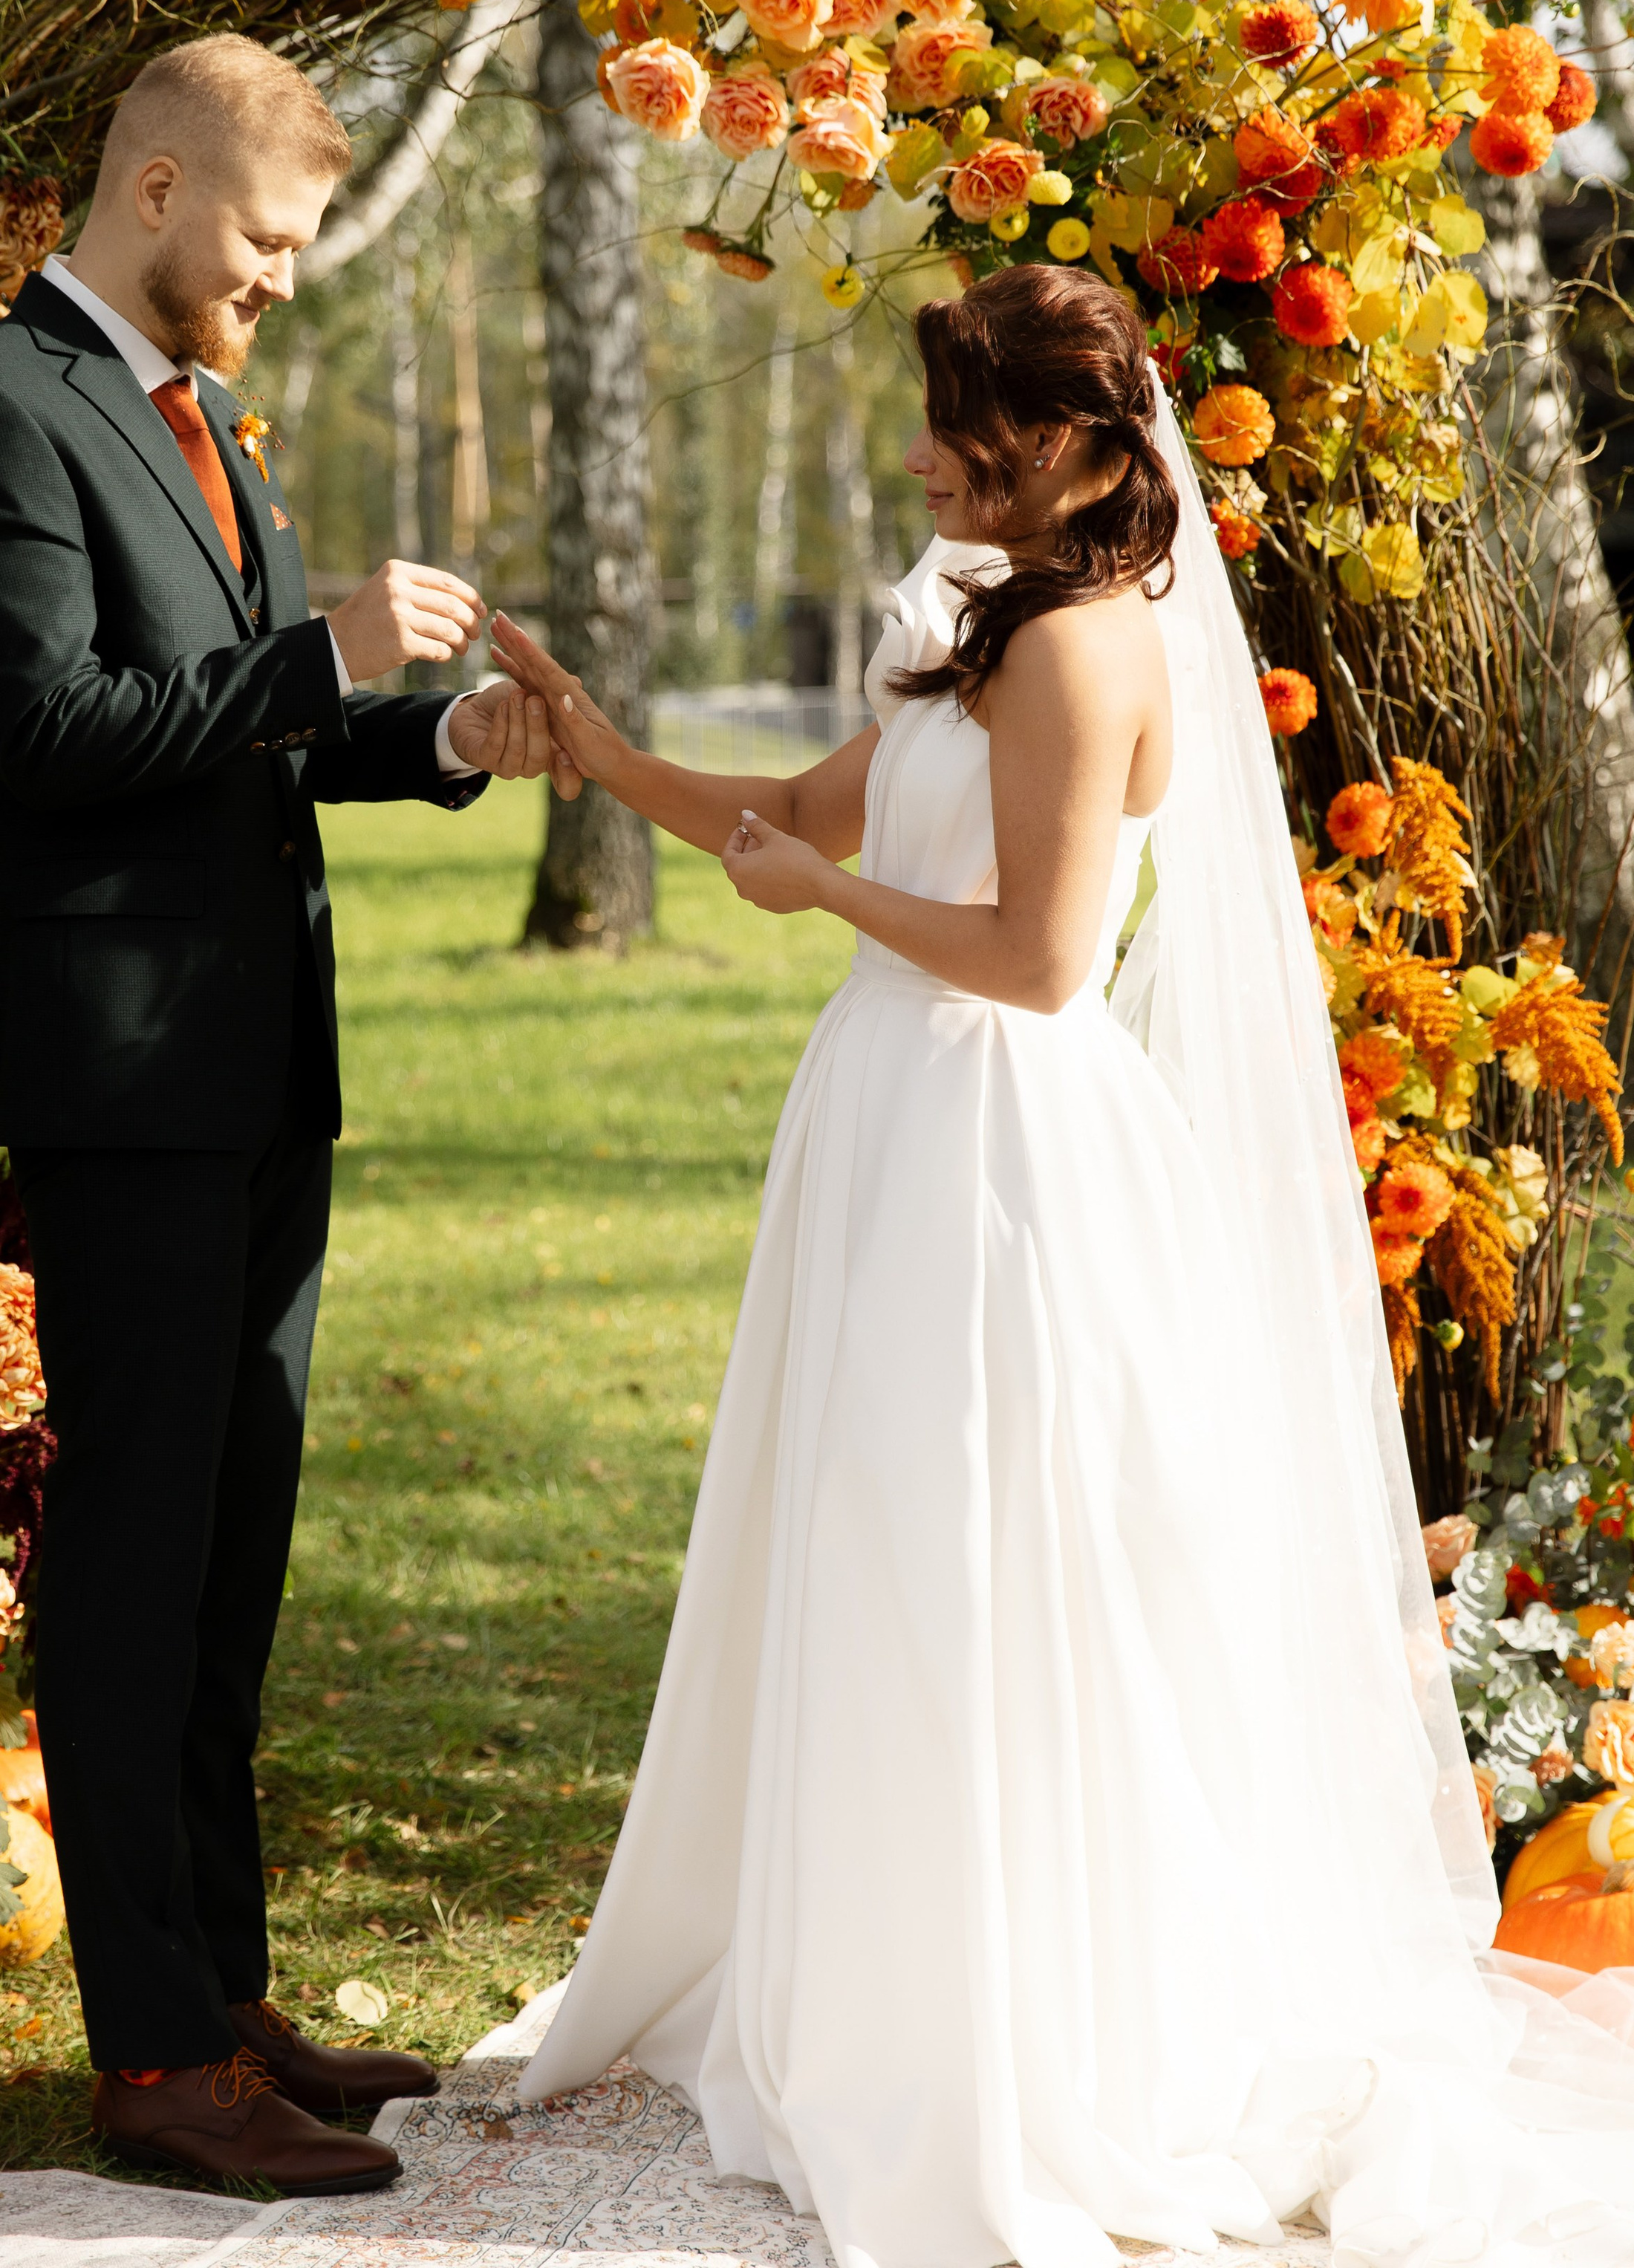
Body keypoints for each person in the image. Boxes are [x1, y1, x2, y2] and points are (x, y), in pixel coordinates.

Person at [495, 264, 1634, 2268]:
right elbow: (784, 811)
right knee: (868, 1546)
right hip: (888, 1120)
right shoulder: (969, 628)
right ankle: (876, 1966)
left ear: (1079, 452)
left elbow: (1033, 959)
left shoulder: (1090, 653)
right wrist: (594, 748)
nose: (925, 450)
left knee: (992, 1558)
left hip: (1002, 1148)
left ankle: (1023, 2017)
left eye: (964, 422)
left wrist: (827, 892)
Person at [0, 33, 570, 2197]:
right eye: (266, 240)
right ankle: (157, 2068)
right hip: (124, 1089)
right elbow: (53, 731)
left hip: (264, 1079)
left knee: (229, 1561)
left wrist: (435, 729)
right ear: (160, 191)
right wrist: (319, 649)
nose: (277, 280)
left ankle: (226, 1995)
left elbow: (249, 737)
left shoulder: (199, 420)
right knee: (130, 1564)